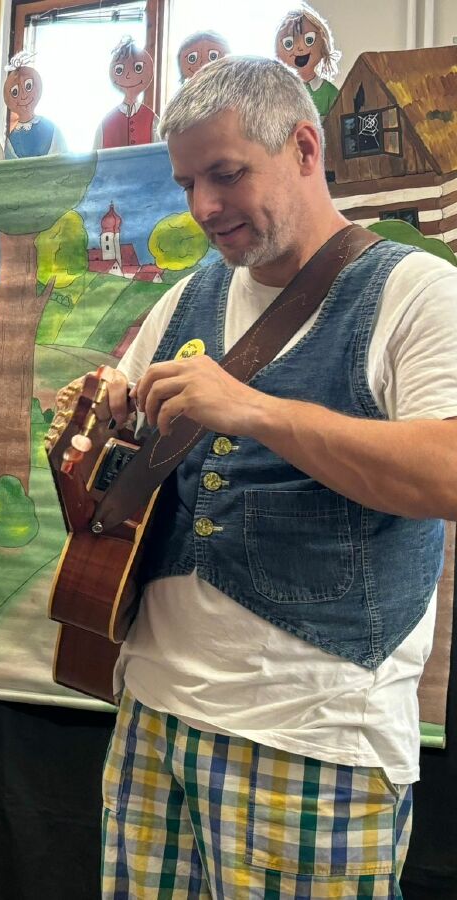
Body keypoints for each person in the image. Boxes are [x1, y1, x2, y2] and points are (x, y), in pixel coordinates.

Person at [55, 57, 457, 896]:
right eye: (187, 183)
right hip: (151, 720)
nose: (203, 206)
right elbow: (130, 454)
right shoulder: (186, 297)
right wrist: (104, 418)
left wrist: (257, 410)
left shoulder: (418, 293)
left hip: (316, 741)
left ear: (305, 147)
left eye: (227, 173)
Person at [275, 3, 341, 117]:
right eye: (288, 43)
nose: (300, 48)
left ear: (324, 45)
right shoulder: (277, 93)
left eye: (309, 40)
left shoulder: (330, 92)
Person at [94, 38, 160, 150]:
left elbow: (163, 155)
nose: (128, 75)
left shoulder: (153, 121)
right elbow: (96, 156)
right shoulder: (105, 124)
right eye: (120, 70)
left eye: (138, 68)